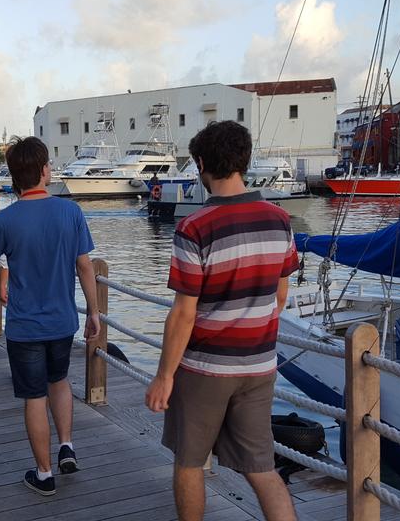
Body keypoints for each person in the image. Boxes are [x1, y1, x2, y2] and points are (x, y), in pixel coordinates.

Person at [145, 121, 299, 521]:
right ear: (244, 161)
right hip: (260, 366)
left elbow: (184, 312)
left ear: (200, 163)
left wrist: (164, 375)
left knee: (190, 462)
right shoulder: (280, 219)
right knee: (262, 469)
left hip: (206, 369)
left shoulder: (195, 227)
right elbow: (280, 297)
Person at [0, 137, 101, 497]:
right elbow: (85, 267)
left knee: (34, 397)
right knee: (59, 382)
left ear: (13, 176)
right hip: (62, 321)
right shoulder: (71, 212)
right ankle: (67, 445)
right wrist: (95, 313)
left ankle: (43, 473)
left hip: (25, 326)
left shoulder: (6, 220)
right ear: (44, 171)